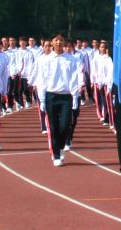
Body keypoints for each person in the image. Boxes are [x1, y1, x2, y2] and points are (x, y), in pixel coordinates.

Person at [36, 34, 82, 167]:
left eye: (61, 40)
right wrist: (42, 99)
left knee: (65, 125)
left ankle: (61, 146)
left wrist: (75, 96)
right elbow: (41, 80)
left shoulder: (71, 59)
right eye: (56, 40)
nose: (58, 42)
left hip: (66, 96)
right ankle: (56, 154)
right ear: (52, 42)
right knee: (53, 126)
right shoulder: (45, 60)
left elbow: (74, 79)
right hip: (51, 95)